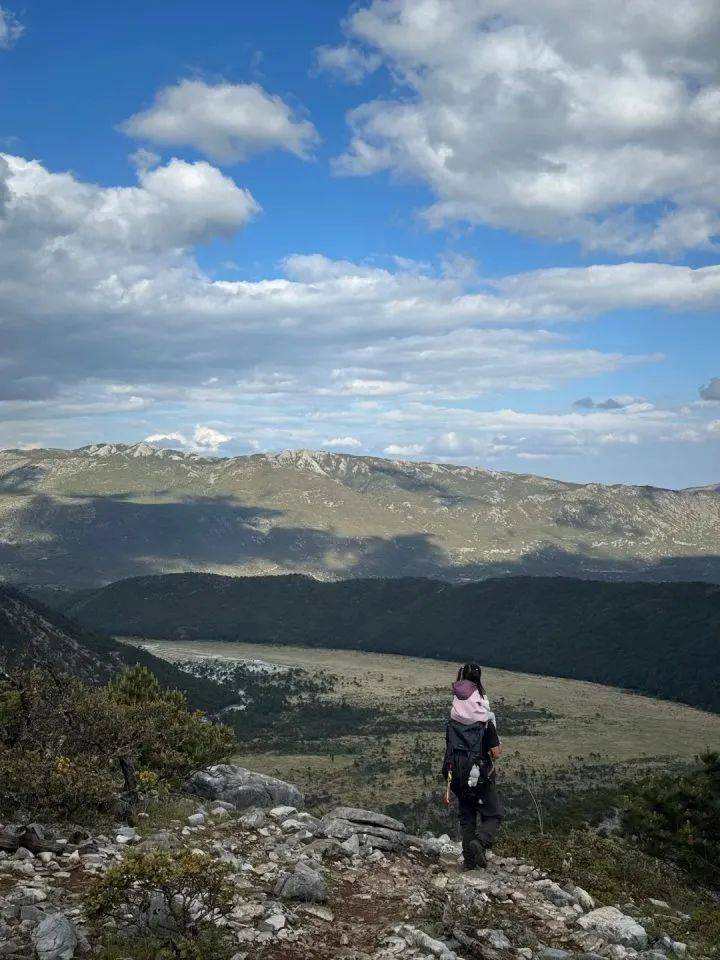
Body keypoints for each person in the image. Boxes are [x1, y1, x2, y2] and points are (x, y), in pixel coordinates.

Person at [444, 662, 503, 869]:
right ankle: (480, 841)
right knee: (493, 813)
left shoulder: (453, 717)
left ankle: (469, 862)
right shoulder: (484, 718)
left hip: (456, 772)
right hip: (480, 772)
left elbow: (449, 745)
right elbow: (496, 753)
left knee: (467, 815)